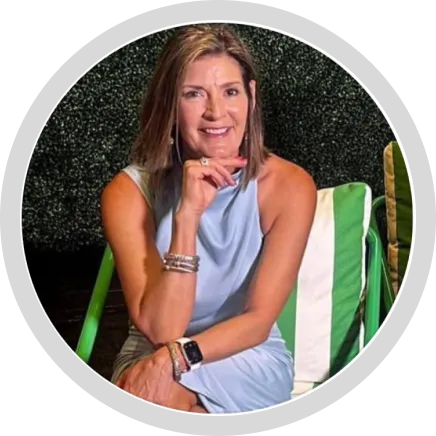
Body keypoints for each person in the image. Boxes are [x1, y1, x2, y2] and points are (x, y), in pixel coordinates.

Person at [100, 23, 317, 414]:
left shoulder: (289, 186)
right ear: (170, 104)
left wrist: (176, 358)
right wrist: (187, 216)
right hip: (152, 346)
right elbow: (162, 330)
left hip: (244, 352)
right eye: (194, 94)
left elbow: (257, 321)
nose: (216, 112)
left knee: (163, 396)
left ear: (251, 96)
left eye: (230, 91)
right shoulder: (128, 193)